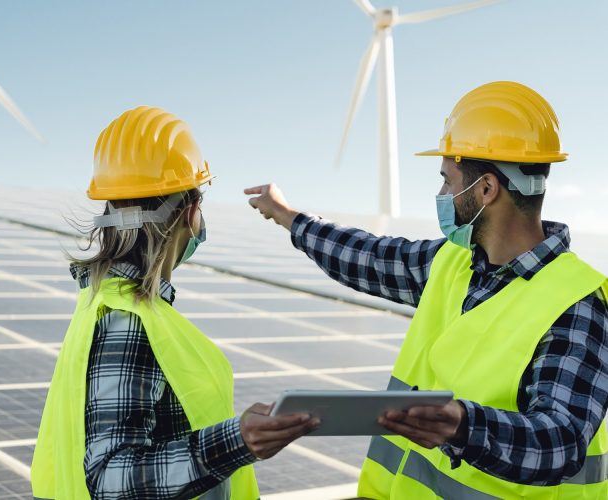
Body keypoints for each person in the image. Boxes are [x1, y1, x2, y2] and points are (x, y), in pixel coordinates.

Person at [244, 81, 608, 498]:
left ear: (486, 190)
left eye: (447, 182)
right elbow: (366, 256)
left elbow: (560, 440)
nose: (441, 195)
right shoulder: (453, 264)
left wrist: (464, 425)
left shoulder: (575, 303)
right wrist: (288, 216)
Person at [31, 106, 319, 499]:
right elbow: (108, 479)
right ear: (190, 211)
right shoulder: (125, 321)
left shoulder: (109, 305)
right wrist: (238, 441)